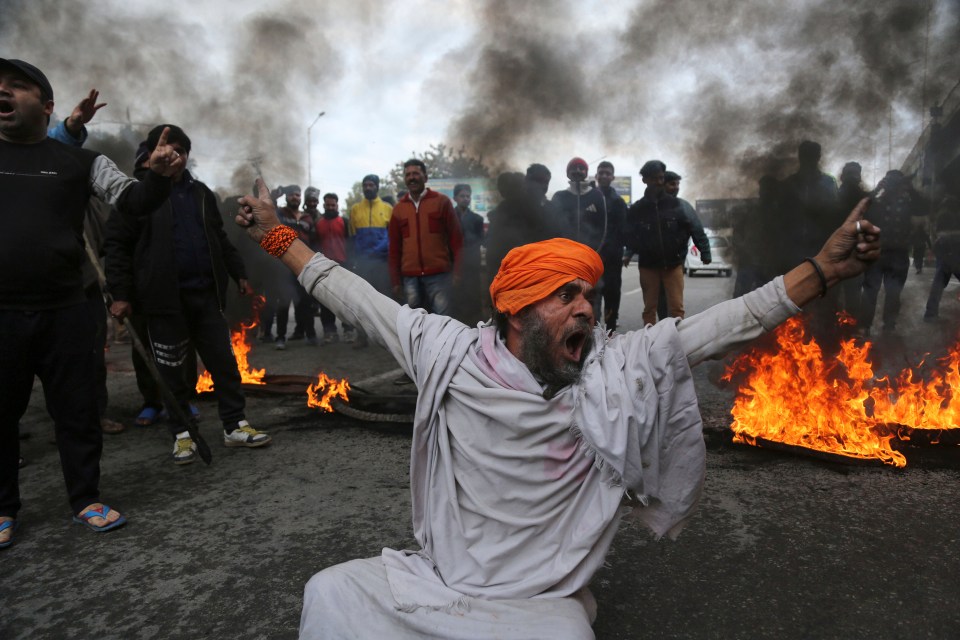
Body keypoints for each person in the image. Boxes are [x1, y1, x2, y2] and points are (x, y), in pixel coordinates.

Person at [235, 179, 880, 638]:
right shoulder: (449, 355)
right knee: (329, 592)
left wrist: (818, 272)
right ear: (515, 310)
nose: (586, 310)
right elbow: (350, 294)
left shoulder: (615, 367)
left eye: (590, 295)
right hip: (444, 583)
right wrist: (276, 234)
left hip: (536, 605)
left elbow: (725, 326)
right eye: (564, 295)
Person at [1, 58, 183, 547]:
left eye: (16, 87)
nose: (3, 93)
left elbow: (133, 202)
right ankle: (2, 508)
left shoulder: (82, 163)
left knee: (77, 411)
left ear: (46, 104)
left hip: (69, 310)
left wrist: (159, 177)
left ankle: (85, 498)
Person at [105, 124, 270, 465]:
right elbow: (117, 247)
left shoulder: (201, 195)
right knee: (172, 372)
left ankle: (235, 425)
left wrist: (238, 273)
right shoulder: (136, 195)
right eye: (168, 150)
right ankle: (182, 434)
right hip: (163, 302)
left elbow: (219, 239)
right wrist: (120, 293)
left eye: (181, 151)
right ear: (153, 154)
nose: (175, 157)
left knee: (224, 364)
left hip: (205, 297)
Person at [623, 160, 702, 326]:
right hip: (648, 266)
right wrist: (638, 249)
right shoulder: (637, 209)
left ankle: (677, 341)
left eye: (660, 178)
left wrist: (679, 250)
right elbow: (628, 235)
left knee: (677, 309)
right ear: (645, 180)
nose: (658, 182)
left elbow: (690, 228)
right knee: (650, 309)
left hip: (673, 265)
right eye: (653, 179)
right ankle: (650, 343)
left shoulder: (677, 205)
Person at [388, 159, 463, 314]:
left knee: (443, 320)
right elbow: (394, 248)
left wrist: (458, 272)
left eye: (416, 173)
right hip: (410, 278)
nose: (411, 177)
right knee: (414, 323)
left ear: (425, 177)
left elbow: (456, 240)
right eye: (408, 174)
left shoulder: (441, 202)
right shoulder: (398, 209)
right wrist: (395, 281)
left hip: (439, 276)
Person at [858, 170, 926, 336]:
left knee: (893, 292)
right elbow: (860, 208)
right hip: (876, 252)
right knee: (870, 290)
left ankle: (889, 325)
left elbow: (923, 208)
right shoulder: (876, 202)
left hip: (898, 253)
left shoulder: (906, 203)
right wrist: (876, 189)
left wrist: (910, 188)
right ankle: (865, 325)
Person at [552, 157, 614, 324]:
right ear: (567, 173)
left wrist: (592, 255)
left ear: (587, 172)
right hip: (565, 262)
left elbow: (604, 229)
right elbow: (553, 230)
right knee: (565, 299)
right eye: (574, 168)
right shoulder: (559, 197)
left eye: (581, 168)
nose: (578, 171)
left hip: (590, 260)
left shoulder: (596, 196)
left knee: (592, 298)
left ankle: (593, 340)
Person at [484, 164, 562, 292]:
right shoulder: (508, 207)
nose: (541, 186)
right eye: (536, 180)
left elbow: (557, 243)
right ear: (527, 181)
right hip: (513, 277)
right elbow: (494, 249)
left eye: (545, 182)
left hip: (543, 277)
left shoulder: (551, 209)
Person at [348, 174, 393, 348]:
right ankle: (361, 336)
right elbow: (352, 237)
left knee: (384, 300)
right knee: (360, 300)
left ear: (377, 187)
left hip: (381, 262)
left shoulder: (388, 208)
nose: (368, 188)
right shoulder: (355, 209)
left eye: (371, 185)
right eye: (365, 185)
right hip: (362, 262)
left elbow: (392, 236)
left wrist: (379, 252)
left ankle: (387, 338)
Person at [661, 169, 711, 321]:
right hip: (654, 262)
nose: (675, 187)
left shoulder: (684, 207)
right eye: (671, 184)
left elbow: (697, 230)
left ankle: (675, 328)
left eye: (677, 184)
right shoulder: (652, 206)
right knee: (659, 300)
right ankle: (661, 328)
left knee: (675, 299)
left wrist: (705, 252)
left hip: (676, 261)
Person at [314, 192, 356, 343]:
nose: (331, 207)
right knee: (326, 301)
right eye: (328, 205)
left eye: (333, 205)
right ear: (323, 205)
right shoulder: (318, 223)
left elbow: (350, 243)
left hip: (343, 265)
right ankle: (329, 331)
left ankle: (348, 329)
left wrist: (351, 264)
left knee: (346, 300)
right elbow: (315, 244)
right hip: (325, 266)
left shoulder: (344, 222)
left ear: (337, 205)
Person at [451, 183, 486, 325]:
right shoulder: (449, 216)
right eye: (462, 196)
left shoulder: (477, 219)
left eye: (468, 196)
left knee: (473, 296)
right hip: (453, 264)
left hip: (472, 263)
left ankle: (475, 326)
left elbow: (481, 240)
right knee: (455, 295)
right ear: (455, 198)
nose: (466, 199)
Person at [923, 196, 960, 322]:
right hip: (952, 255)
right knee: (938, 284)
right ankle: (930, 314)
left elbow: (938, 237)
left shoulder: (942, 216)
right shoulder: (947, 216)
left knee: (938, 285)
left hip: (946, 255)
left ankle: (930, 314)